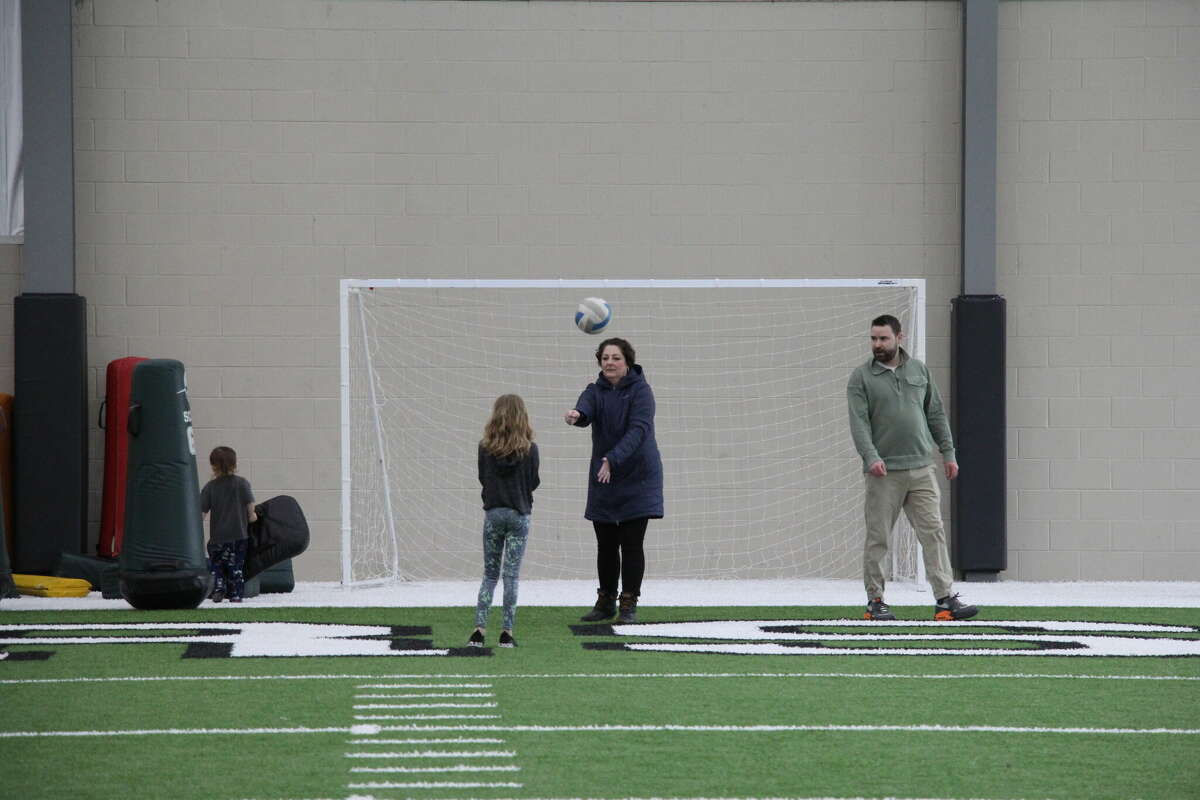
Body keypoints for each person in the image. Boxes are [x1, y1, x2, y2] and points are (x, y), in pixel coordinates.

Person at [847, 314, 978, 622]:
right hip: (883, 473)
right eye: (873, 339)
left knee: (934, 533)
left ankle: (945, 601)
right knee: (878, 537)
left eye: (883, 338)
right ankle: (875, 601)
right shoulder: (861, 378)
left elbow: (935, 414)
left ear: (899, 338)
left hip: (922, 469)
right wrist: (871, 457)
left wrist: (948, 453)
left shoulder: (919, 370)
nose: (877, 344)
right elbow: (859, 424)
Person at [565, 337, 663, 624]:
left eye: (616, 358)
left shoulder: (642, 392)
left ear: (627, 362)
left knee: (631, 543)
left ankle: (628, 603)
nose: (609, 362)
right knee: (605, 544)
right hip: (605, 477)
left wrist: (612, 458)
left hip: (638, 477)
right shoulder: (594, 391)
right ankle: (605, 600)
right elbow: (586, 407)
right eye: (605, 357)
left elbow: (638, 430)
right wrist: (577, 414)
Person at [469, 394, 540, 649]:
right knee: (511, 576)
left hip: (494, 514)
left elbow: (482, 478)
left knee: (490, 575)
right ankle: (506, 633)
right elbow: (534, 482)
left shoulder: (484, 447)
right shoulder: (530, 450)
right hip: (519, 514)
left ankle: (478, 630)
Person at [200, 446, 256, 603]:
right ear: (235, 464)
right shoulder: (242, 483)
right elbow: (250, 504)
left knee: (217, 566)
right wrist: (252, 516)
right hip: (239, 536)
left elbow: (202, 513)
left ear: (213, 466)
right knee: (236, 566)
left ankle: (219, 588)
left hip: (218, 537)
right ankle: (236, 593)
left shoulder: (210, 488)